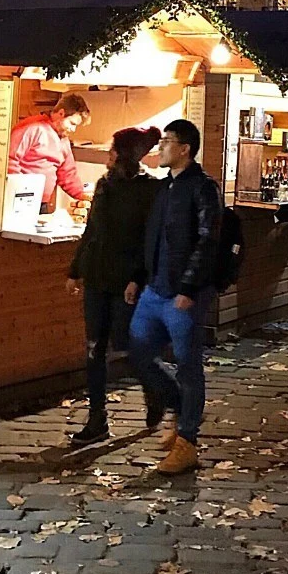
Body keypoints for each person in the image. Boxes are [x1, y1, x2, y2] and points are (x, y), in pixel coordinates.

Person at [127, 119, 222, 475]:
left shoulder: (202, 189)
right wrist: (138, 278)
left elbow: (206, 240)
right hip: (154, 289)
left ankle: (187, 441)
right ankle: (178, 406)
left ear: (185, 148)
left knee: (188, 365)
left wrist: (189, 287)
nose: (160, 147)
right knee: (137, 352)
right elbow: (150, 238)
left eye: (167, 142)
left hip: (184, 295)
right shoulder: (164, 188)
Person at [66, 127, 161, 446]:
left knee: (128, 347)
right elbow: (91, 229)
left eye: (113, 151)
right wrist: (75, 270)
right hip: (97, 277)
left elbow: (149, 242)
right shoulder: (105, 185)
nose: (108, 156)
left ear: (125, 156)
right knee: (94, 350)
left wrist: (138, 278)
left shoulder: (150, 190)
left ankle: (155, 390)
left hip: (126, 283)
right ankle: (97, 419)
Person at [8, 93, 92, 213]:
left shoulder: (63, 140)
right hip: (19, 200)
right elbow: (9, 160)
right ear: (61, 113)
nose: (73, 130)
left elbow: (67, 174)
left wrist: (83, 196)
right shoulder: (32, 128)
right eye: (72, 123)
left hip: (42, 203)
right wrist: (20, 190)